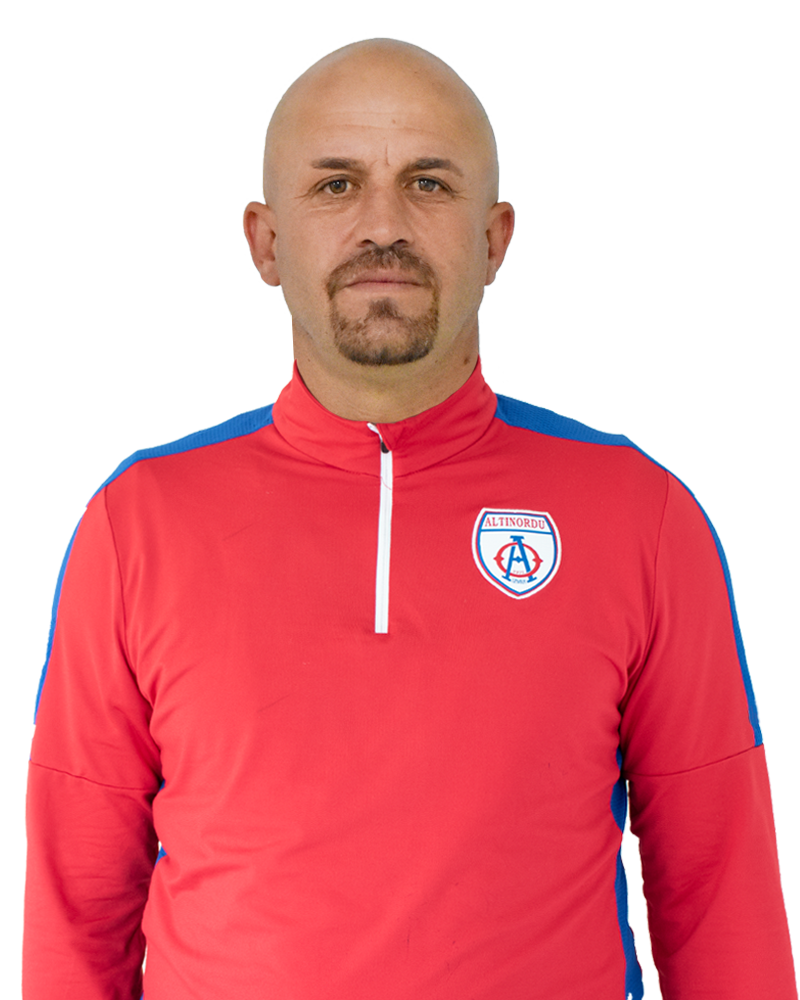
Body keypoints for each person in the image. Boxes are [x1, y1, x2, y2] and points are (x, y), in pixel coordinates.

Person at [23, 36, 797, 1000]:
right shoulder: (137, 523)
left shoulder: (642, 517)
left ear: (494, 239)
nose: (382, 225)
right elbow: (74, 914)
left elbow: (721, 898)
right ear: (266, 241)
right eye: (336, 185)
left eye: (429, 184)